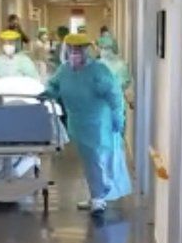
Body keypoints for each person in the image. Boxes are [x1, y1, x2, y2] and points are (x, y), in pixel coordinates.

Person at [44, 33, 131, 215]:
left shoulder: (98, 71)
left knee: (98, 160)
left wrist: (118, 116)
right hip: (78, 123)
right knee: (89, 162)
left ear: (87, 50)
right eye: (71, 49)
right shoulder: (65, 70)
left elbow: (114, 94)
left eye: (79, 49)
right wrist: (45, 94)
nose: (74, 53)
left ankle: (99, 198)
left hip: (99, 123)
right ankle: (95, 195)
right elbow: (54, 86)